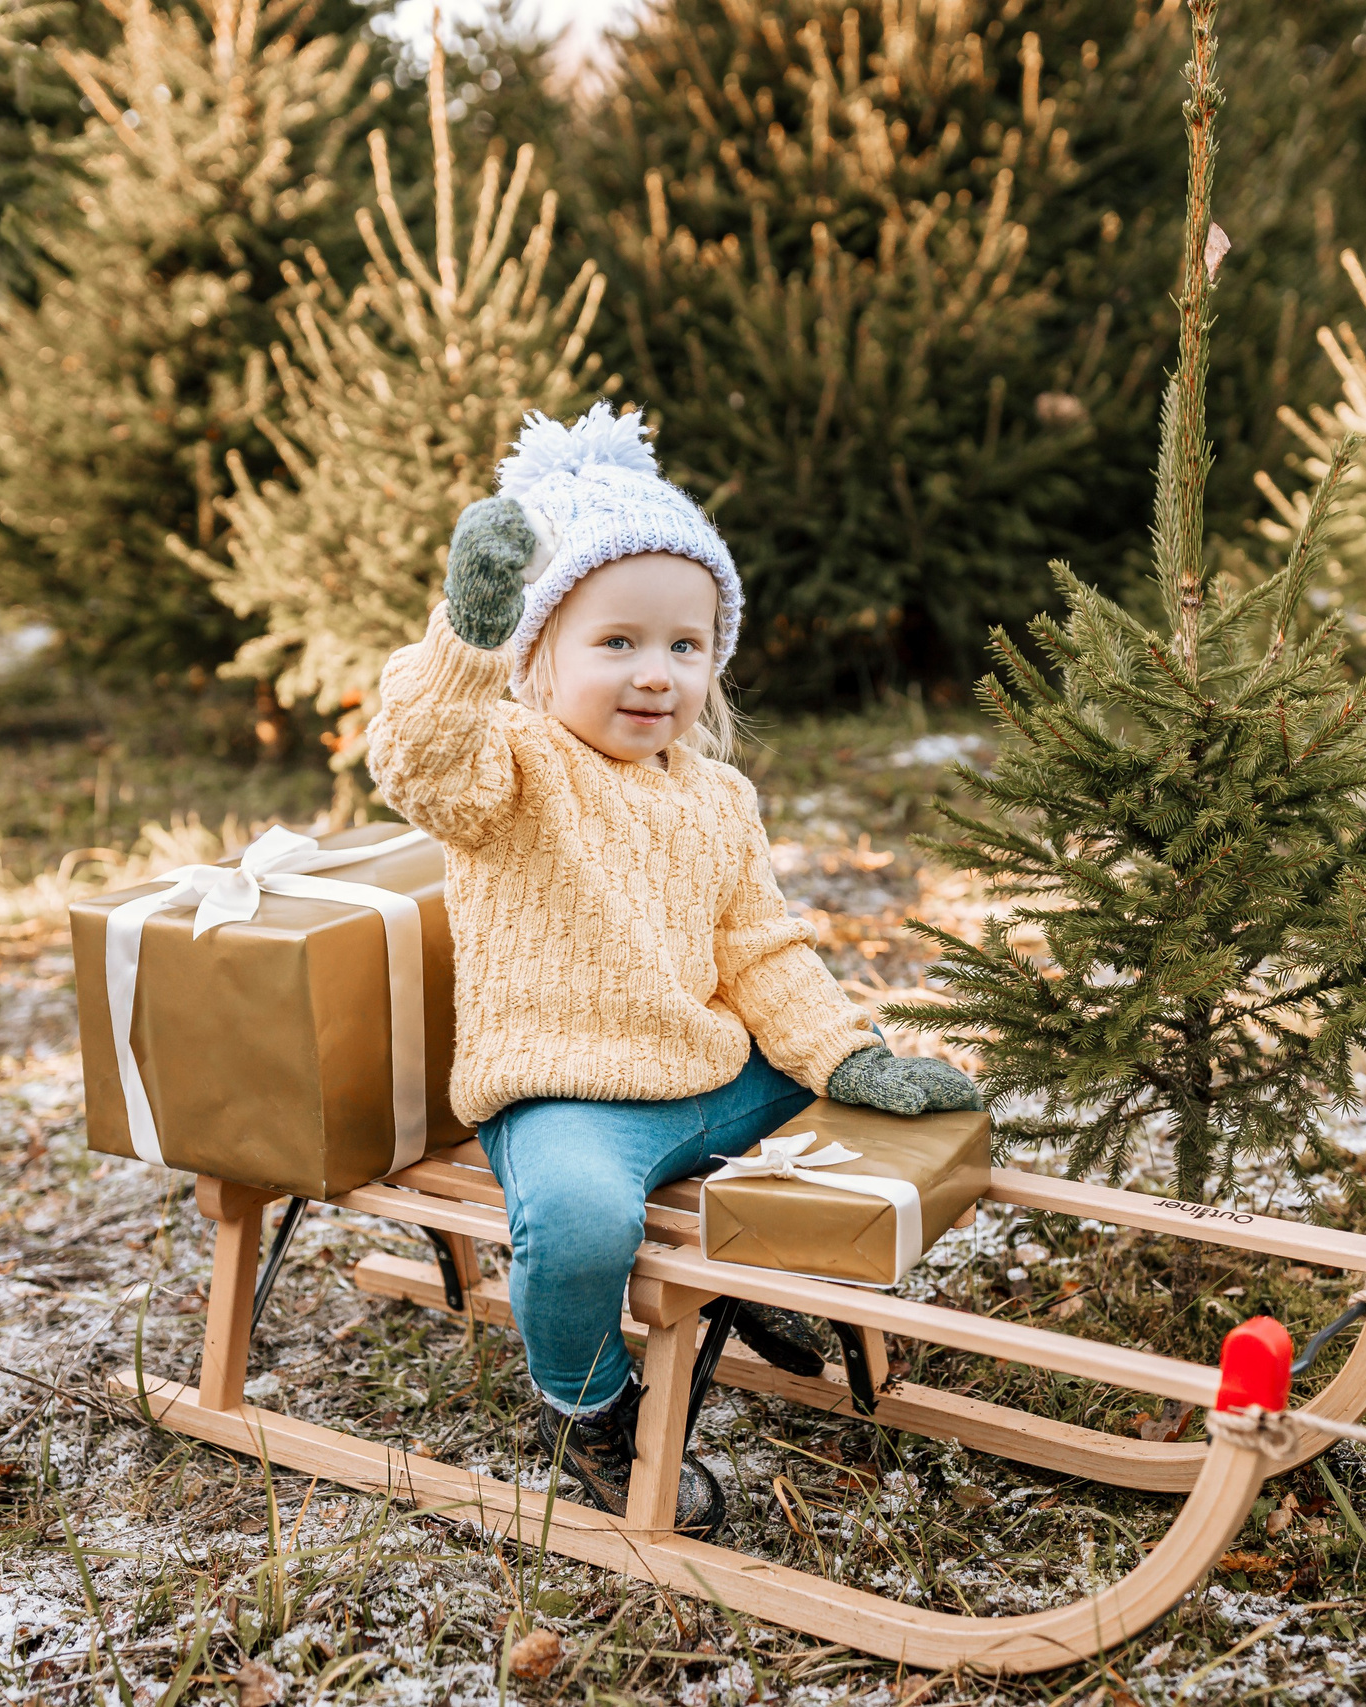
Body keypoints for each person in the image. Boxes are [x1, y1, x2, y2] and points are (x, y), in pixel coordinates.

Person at [368, 403, 981, 1534]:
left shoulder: (717, 796)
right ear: (538, 655)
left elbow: (760, 952)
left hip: (702, 1072)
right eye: (617, 643)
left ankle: (752, 1279)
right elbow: (416, 759)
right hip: (569, 1090)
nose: (656, 675)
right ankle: (582, 1403)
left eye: (684, 647)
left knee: (832, 1102)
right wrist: (465, 635)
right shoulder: (508, 765)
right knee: (580, 1220)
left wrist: (847, 1056)